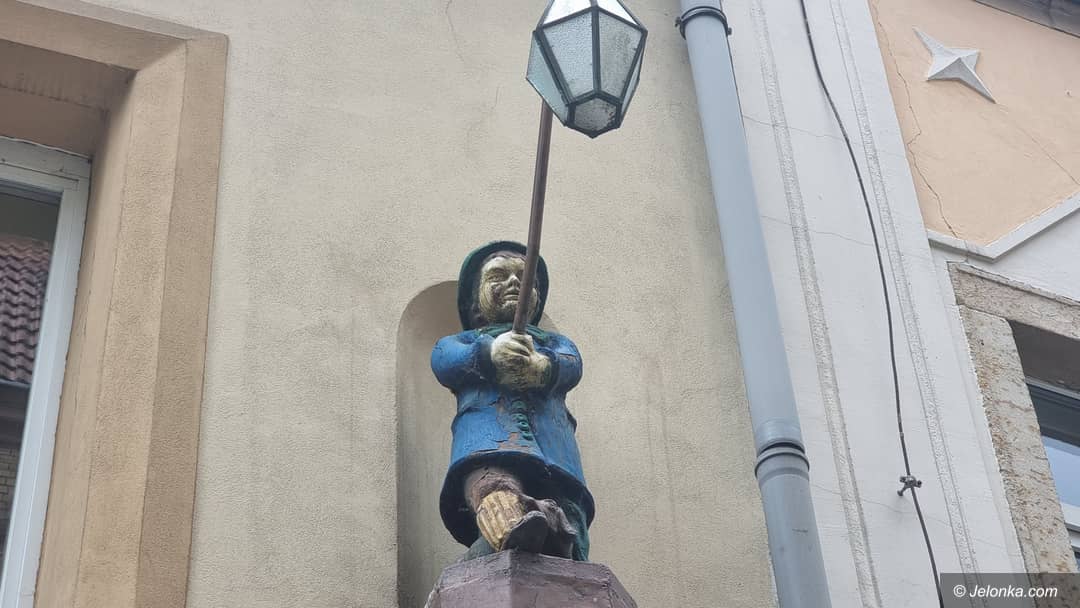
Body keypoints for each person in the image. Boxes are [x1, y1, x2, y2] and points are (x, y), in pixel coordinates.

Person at [431, 241, 593, 561]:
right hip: (488, 447)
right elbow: (444, 359)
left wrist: (543, 367)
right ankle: (514, 531)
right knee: (495, 494)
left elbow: (571, 363)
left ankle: (552, 533)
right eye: (498, 276)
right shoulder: (465, 341)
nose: (515, 282)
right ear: (474, 301)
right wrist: (489, 354)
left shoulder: (552, 343)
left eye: (524, 277)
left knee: (568, 517)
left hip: (555, 456)